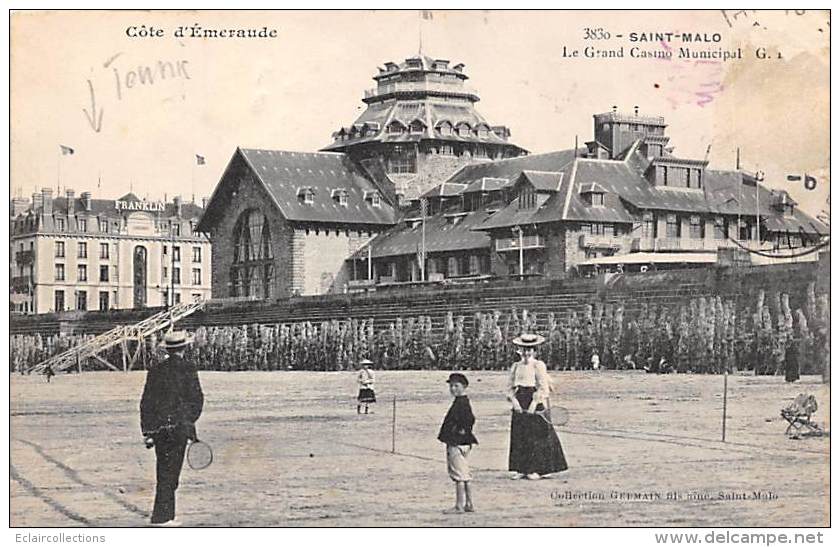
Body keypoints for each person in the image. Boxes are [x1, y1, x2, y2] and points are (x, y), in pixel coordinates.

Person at [140, 330, 204, 526]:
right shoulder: (188, 368)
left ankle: (163, 514)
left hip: (160, 429)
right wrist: (188, 420)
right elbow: (197, 399)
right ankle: (163, 517)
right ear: (184, 348)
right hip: (179, 428)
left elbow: (146, 402)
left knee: (163, 470)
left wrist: (148, 431)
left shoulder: (156, 370)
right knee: (172, 472)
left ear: (168, 349)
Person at [507, 333, 568, 480]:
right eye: (524, 350)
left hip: (535, 401)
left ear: (534, 351)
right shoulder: (516, 366)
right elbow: (510, 387)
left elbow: (543, 388)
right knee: (520, 434)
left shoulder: (538, 365)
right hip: (520, 401)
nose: (527, 353)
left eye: (530, 350)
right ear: (520, 351)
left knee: (537, 436)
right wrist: (514, 402)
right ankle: (522, 468)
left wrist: (534, 404)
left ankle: (538, 469)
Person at [437, 373, 478, 514]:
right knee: (465, 473)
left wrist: (460, 432)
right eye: (451, 386)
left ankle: (459, 505)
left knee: (459, 475)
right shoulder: (463, 401)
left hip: (457, 442)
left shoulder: (460, 403)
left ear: (464, 386)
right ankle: (469, 503)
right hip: (465, 442)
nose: (453, 389)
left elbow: (469, 420)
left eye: (456, 386)